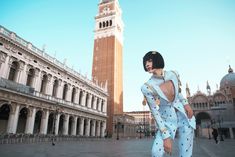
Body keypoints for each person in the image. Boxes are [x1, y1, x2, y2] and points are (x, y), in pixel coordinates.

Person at [141, 51, 196, 157]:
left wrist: (186, 104)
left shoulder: (174, 74)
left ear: (158, 60)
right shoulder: (147, 86)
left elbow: (178, 92)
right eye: (145, 62)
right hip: (166, 121)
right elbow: (154, 112)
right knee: (156, 152)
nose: (147, 64)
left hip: (184, 116)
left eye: (150, 61)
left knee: (186, 153)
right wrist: (165, 136)